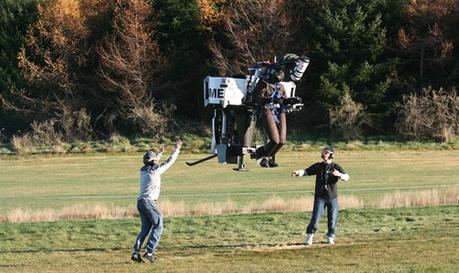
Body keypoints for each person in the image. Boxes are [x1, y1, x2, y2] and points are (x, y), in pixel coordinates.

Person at [131, 140, 182, 263]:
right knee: (158, 225)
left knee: (145, 229)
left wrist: (160, 153)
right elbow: (169, 162)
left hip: (141, 202)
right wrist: (177, 149)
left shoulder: (143, 170)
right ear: (154, 161)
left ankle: (136, 253)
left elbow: (153, 161)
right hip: (149, 202)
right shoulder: (155, 170)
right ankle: (149, 252)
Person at [291, 146, 349, 245]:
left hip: (332, 197)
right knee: (315, 218)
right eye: (322, 152)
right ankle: (310, 236)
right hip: (320, 197)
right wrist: (298, 173)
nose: (323, 154)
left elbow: (347, 177)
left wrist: (339, 175)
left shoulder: (336, 167)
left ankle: (330, 236)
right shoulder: (318, 166)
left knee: (332, 219)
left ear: (331, 155)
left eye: (325, 153)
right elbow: (306, 171)